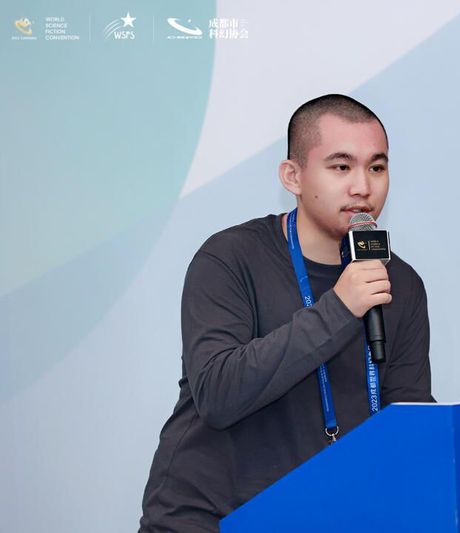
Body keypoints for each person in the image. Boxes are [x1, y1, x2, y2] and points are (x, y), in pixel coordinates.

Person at [139, 94, 433, 532]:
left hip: (323, 517)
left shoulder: (398, 282)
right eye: (341, 167)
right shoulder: (229, 258)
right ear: (292, 176)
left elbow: (408, 418)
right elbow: (218, 395)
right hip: (211, 520)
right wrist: (340, 307)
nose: (363, 187)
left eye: (377, 168)